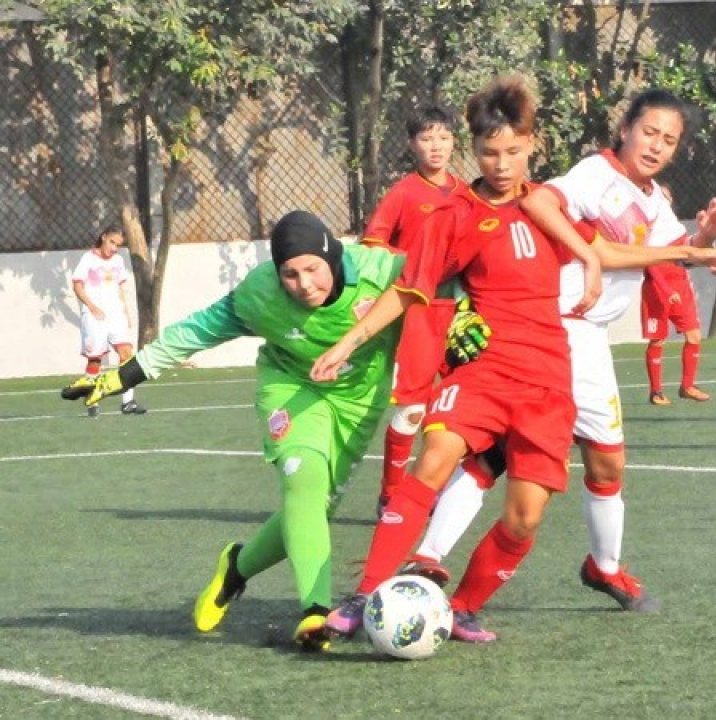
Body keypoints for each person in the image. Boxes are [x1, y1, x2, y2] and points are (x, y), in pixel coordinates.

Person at [404, 88, 716, 613]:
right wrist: (600, 252)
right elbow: (539, 200)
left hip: (588, 340)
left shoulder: (652, 200)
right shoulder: (594, 176)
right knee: (498, 455)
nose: (656, 145)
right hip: (551, 326)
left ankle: (600, 567)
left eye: (669, 140)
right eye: (649, 132)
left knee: (603, 463)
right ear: (624, 129)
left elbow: (663, 251)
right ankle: (429, 556)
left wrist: (702, 237)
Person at [311, 75, 603, 643]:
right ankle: (367, 590)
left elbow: (602, 248)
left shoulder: (550, 204)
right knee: (435, 457)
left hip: (547, 380)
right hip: (485, 372)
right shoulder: (454, 215)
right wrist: (346, 343)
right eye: (489, 152)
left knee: (525, 517)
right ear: (473, 150)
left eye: (513, 151)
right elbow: (410, 289)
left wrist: (684, 250)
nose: (501, 163)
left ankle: (462, 607)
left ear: (532, 144)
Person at [62, 211, 406, 653]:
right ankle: (316, 613)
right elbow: (197, 331)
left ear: (334, 257)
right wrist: (123, 376)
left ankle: (236, 568)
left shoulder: (382, 271)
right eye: (290, 274)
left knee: (312, 510)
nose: (303, 284)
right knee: (304, 475)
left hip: (359, 402)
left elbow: (452, 281)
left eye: (313, 269)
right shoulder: (260, 294)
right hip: (291, 388)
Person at [360, 104, 465, 516]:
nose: (435, 146)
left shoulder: (467, 192)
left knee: (458, 406)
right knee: (414, 409)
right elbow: (372, 244)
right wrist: (411, 264)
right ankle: (391, 491)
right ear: (411, 144)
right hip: (418, 311)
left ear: (454, 141)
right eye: (426, 138)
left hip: (463, 312)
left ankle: (433, 489)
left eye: (442, 137)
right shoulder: (403, 193)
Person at [640, 175, 716, 405]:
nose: (661, 200)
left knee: (694, 335)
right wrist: (666, 291)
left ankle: (687, 385)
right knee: (657, 340)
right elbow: (651, 263)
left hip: (680, 284)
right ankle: (656, 391)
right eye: (658, 196)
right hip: (657, 288)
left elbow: (690, 250)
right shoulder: (646, 229)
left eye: (665, 196)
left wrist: (710, 251)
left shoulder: (672, 228)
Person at [68, 226, 146, 417]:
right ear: (103, 237)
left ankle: (128, 403)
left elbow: (119, 288)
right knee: (95, 358)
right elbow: (77, 286)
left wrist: (125, 311)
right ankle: (91, 400)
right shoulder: (88, 259)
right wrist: (92, 307)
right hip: (94, 315)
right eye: (112, 242)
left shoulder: (118, 260)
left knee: (127, 354)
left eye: (118, 245)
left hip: (115, 316)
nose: (114, 248)